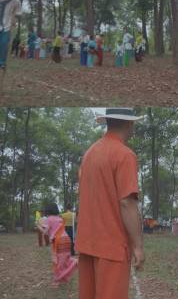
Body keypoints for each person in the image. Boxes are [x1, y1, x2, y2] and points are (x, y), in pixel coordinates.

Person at [77, 108, 144, 299]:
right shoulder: (125, 155)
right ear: (130, 124)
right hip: (112, 246)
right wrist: (138, 246)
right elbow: (126, 203)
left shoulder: (90, 153)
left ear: (108, 122)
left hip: (87, 242)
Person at [37, 203, 78, 285]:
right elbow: (52, 232)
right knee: (65, 259)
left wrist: (38, 226)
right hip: (66, 239)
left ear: (47, 210)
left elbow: (45, 232)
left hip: (58, 241)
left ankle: (57, 280)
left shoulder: (48, 219)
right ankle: (68, 272)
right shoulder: (60, 218)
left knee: (56, 260)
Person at [0, 0, 22, 70]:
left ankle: (2, 62)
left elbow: (18, 11)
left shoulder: (15, 0)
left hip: (6, 25)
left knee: (4, 44)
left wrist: (15, 20)